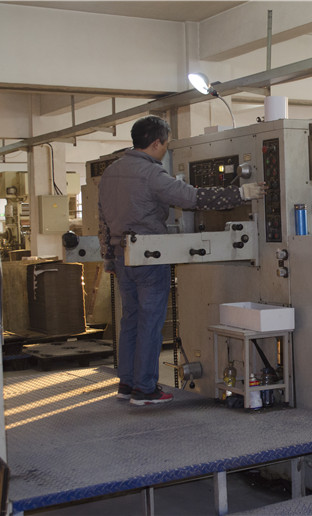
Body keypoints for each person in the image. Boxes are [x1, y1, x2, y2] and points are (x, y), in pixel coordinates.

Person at [98, 115, 265, 406]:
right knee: (150, 322)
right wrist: (241, 193)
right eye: (166, 144)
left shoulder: (111, 171)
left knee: (131, 320)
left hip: (122, 256)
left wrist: (108, 258)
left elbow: (102, 218)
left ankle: (127, 383)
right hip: (150, 255)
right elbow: (191, 198)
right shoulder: (151, 173)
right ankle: (145, 389)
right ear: (156, 143)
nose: (166, 150)